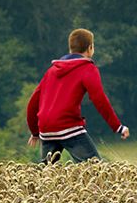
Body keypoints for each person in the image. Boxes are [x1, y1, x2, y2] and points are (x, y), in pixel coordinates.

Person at [26, 28, 129, 163]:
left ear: (71, 49)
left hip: (46, 129)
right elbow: (99, 99)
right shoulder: (88, 68)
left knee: (46, 175)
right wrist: (118, 127)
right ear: (90, 48)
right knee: (95, 170)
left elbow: (33, 103)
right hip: (69, 127)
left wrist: (35, 131)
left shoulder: (52, 71)